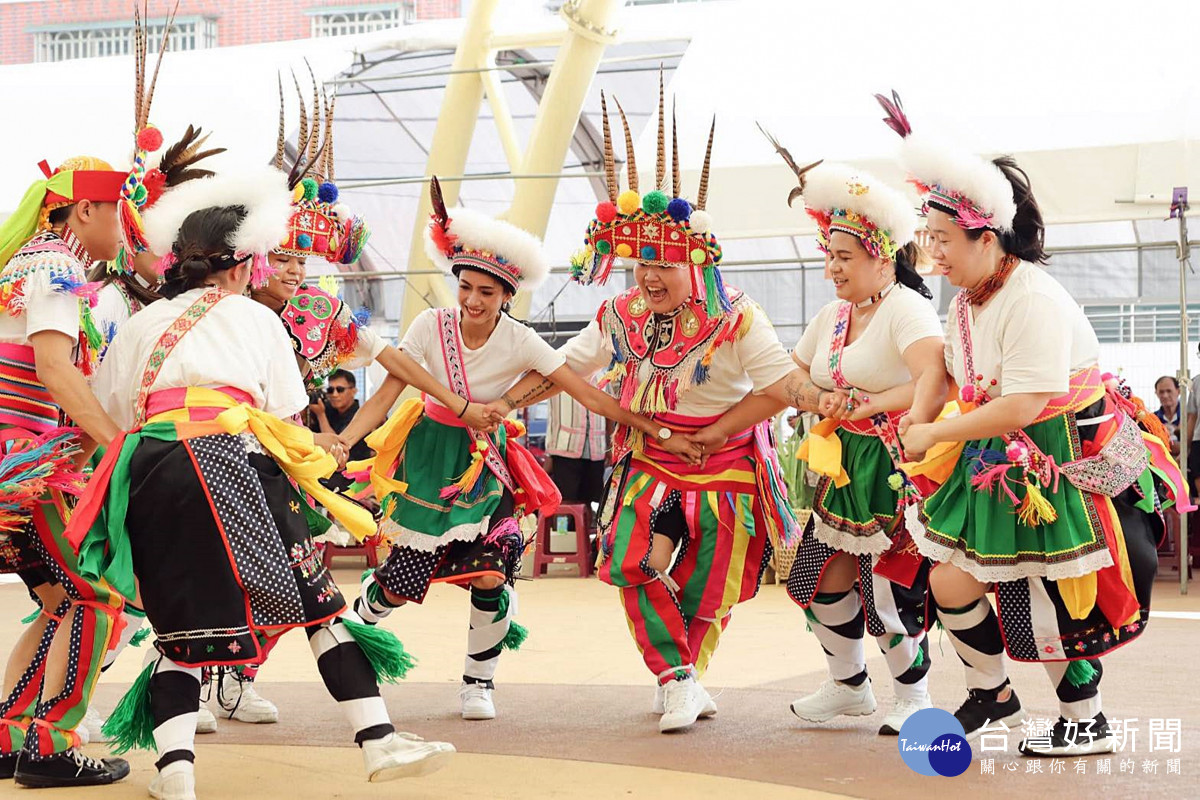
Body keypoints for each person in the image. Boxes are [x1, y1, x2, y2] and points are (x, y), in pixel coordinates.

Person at [877, 92, 1190, 755]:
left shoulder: (1033, 298)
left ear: (985, 238)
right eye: (927, 238)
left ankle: (1087, 716)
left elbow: (1024, 404)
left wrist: (932, 434)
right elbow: (957, 378)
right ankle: (993, 693)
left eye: (941, 240)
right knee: (952, 579)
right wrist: (909, 415)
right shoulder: (969, 300)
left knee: (1051, 593)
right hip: (997, 454)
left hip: (1055, 454)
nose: (931, 253)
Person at [338, 175, 694, 723]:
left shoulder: (521, 339)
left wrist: (644, 424)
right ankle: (351, 632)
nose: (474, 300)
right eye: (466, 288)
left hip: (488, 465)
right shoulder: (431, 325)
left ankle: (478, 683)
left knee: (489, 574)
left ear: (508, 295)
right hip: (430, 461)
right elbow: (386, 392)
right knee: (401, 579)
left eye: (487, 291)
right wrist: (343, 440)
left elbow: (582, 389)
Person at [498, 87, 799, 734]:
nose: (648, 277)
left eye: (662, 262)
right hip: (651, 459)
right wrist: (506, 403)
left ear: (698, 260)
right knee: (631, 562)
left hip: (725, 462)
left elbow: (780, 389)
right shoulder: (619, 314)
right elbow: (564, 370)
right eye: (639, 263)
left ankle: (684, 675)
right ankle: (678, 677)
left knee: (708, 585)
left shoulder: (738, 317)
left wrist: (714, 431)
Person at [724, 154, 946, 736]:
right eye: (829, 255)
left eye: (842, 257)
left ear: (881, 255)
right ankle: (850, 686)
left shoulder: (908, 308)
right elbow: (786, 383)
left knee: (888, 587)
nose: (831, 268)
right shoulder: (834, 316)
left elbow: (937, 379)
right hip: (839, 467)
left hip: (894, 466)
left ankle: (914, 696)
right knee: (817, 580)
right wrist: (722, 426)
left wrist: (871, 405)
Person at [0, 154, 131, 787]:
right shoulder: (53, 264)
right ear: (85, 210)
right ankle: (51, 745)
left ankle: (10, 735)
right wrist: (115, 445)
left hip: (19, 464)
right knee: (97, 599)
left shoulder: (25, 262)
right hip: (23, 467)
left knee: (60, 600)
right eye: (118, 212)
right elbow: (54, 368)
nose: (125, 230)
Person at [545, 391, 608, 505]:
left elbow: (608, 411)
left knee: (590, 499)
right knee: (565, 500)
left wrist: (610, 446)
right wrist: (549, 452)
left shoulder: (602, 375)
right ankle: (563, 523)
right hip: (565, 447)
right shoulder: (559, 376)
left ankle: (585, 522)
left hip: (596, 449)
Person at [1153, 375, 1180, 455]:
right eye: (1161, 392)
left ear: (1178, 391)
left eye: (1169, 391)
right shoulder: (1153, 420)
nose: (1165, 395)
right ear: (1156, 393)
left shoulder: (1188, 417)